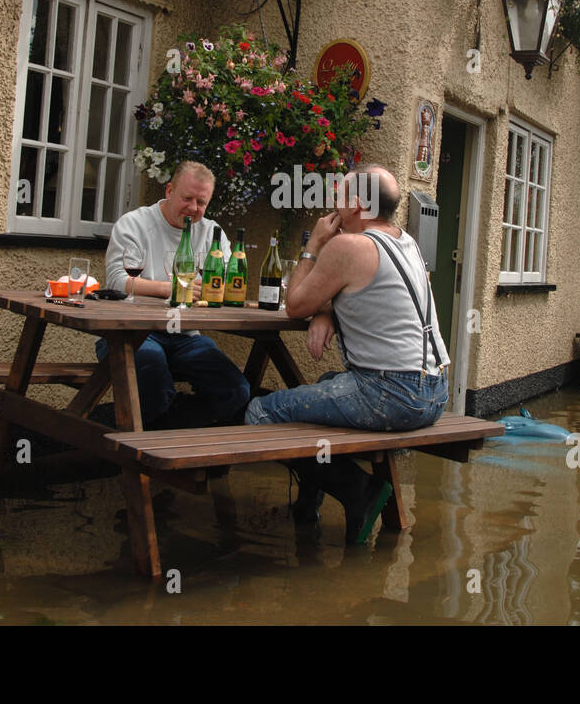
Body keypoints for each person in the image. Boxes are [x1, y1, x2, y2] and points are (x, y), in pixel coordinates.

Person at [244, 163, 450, 545]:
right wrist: (326, 313)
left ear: (356, 204)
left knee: (261, 412)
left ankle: (360, 491)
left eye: (338, 194)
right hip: (435, 390)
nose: (330, 202)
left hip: (391, 394)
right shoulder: (405, 242)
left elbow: (294, 305)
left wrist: (314, 245)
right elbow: (365, 294)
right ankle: (307, 508)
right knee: (324, 384)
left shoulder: (347, 246)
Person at [100, 161, 250, 429]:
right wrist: (172, 289)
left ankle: (175, 442)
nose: (193, 208)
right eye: (187, 198)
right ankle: (147, 453)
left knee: (236, 390)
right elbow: (117, 281)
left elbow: (228, 281)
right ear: (169, 190)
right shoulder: (134, 224)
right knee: (154, 380)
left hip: (185, 335)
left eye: (201, 202)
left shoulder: (211, 233)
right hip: (131, 331)